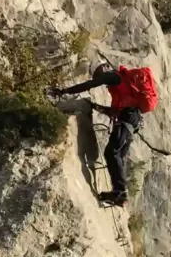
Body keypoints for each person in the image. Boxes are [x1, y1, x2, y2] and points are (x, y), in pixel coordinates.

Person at [49, 62, 158, 206]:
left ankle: (120, 192)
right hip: (133, 121)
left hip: (128, 118)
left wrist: (64, 91)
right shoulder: (125, 89)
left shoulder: (114, 76)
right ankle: (119, 193)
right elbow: (114, 111)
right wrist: (95, 107)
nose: (106, 86)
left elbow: (89, 85)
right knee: (119, 156)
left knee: (111, 152)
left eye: (103, 81)